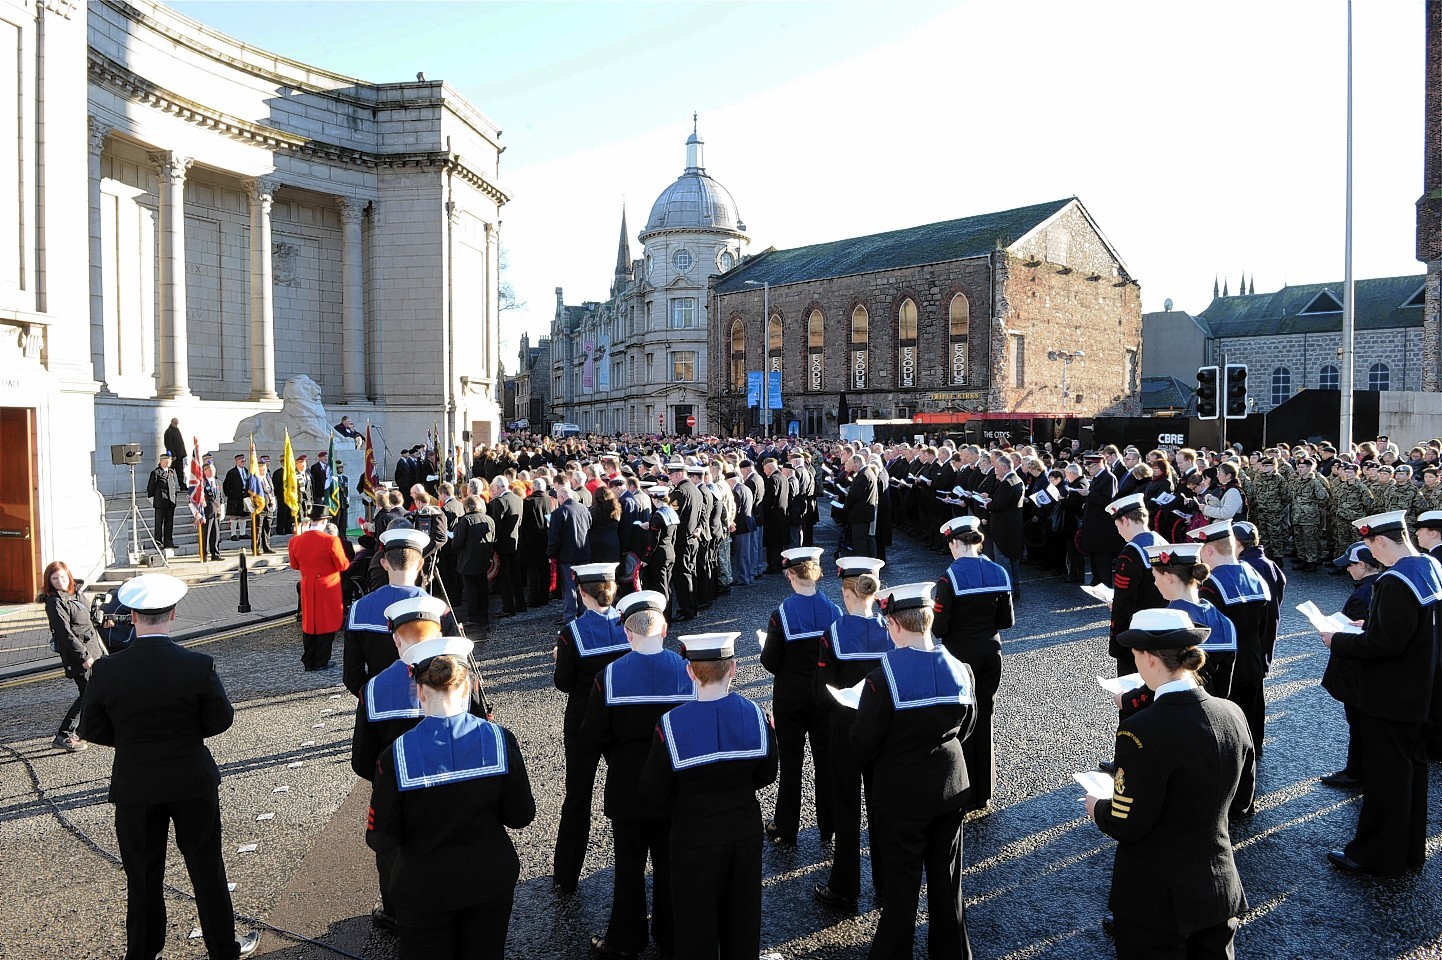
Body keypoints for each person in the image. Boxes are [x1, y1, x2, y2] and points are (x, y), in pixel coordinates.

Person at [79, 573, 260, 960]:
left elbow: (90, 727)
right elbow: (220, 719)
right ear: (173, 613)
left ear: (131, 615)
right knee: (207, 869)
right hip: (190, 779)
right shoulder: (197, 664)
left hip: (136, 784)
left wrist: (131, 741)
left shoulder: (108, 670)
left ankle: (143, 953)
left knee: (143, 876)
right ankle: (222, 949)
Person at [1086, 608, 1255, 960]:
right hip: (1218, 887)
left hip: (1156, 897)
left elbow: (1127, 823)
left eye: (1135, 657)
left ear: (1148, 658)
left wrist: (1098, 807)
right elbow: (1242, 799)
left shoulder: (1142, 729)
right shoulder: (1233, 713)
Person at [366, 649, 535, 960]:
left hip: (423, 887)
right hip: (489, 878)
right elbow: (521, 815)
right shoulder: (500, 739)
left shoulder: (394, 755)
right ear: (468, 688)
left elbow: (381, 838)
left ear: (419, 692)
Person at [851, 581, 976, 960]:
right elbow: (967, 728)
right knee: (947, 879)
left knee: (902, 884)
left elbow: (863, 745)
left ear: (894, 625)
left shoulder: (880, 678)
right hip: (951, 786)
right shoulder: (962, 669)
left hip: (901, 792)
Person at [638, 632, 778, 960]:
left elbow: (653, 789)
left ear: (690, 672)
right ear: (733, 669)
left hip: (692, 836)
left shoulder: (670, 724)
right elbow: (767, 773)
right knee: (743, 926)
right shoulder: (757, 715)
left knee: (694, 930)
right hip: (743, 833)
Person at [353, 598, 490, 931]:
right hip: (459, 785)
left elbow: (361, 761)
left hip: (400, 791)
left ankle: (395, 911)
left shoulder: (372, 690)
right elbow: (481, 728)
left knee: (394, 853)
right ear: (438, 631)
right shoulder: (462, 678)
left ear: (397, 639)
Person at [1320, 509, 1441, 876]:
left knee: (1386, 779)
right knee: (1411, 774)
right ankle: (1408, 852)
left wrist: (1337, 639)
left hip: (1390, 694)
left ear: (1381, 541)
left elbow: (1385, 644)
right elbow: (1408, 628)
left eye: (1371, 546)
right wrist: (1368, 622)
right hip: (1422, 690)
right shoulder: (1429, 567)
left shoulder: (1393, 580)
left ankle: (1375, 856)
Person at [581, 589, 696, 959]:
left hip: (627, 782)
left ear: (627, 633)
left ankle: (625, 938)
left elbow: (592, 735)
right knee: (670, 862)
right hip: (673, 783)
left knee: (629, 866)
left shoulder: (609, 675)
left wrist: (615, 755)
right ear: (664, 630)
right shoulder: (686, 670)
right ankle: (672, 933)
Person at [814, 556, 891, 912]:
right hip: (883, 732)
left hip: (844, 727)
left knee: (846, 809)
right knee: (882, 809)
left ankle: (845, 886)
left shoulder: (833, 632)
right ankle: (885, 882)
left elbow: (820, 687)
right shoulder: (891, 628)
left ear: (847, 592)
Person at [551, 563, 629, 894]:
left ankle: (566, 876)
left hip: (583, 721)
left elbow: (564, 683)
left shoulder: (572, 633)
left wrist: (559, 658)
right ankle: (630, 864)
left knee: (578, 796)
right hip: (622, 721)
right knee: (628, 792)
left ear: (581, 592)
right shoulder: (630, 625)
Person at [760, 545, 843, 846]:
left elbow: (770, 662)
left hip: (790, 697)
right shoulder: (834, 611)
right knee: (826, 761)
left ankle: (786, 825)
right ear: (818, 574)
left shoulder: (780, 614)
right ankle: (828, 824)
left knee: (792, 762)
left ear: (790, 574)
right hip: (824, 696)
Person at [931, 516, 1014, 813]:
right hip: (992, 653)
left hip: (959, 656)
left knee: (962, 721)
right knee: (986, 717)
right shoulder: (999, 571)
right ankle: (984, 792)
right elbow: (1007, 621)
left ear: (955, 543)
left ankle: (963, 792)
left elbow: (939, 628)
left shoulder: (949, 578)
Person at [1190, 520, 1273, 757]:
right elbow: (1264, 625)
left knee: (1228, 730)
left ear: (1208, 550)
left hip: (1226, 668)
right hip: (1254, 660)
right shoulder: (1255, 574)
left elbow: (1207, 632)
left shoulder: (1210, 584)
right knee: (1253, 719)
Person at [344, 528, 455, 696]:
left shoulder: (358, 609)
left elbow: (352, 675)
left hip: (379, 700)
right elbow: (453, 664)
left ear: (384, 563)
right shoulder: (437, 609)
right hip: (427, 700)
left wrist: (370, 696)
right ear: (420, 564)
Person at [1318, 541, 1384, 792]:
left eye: (1351, 565)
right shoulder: (1374, 586)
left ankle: (1356, 771)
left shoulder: (1364, 594)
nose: (1347, 570)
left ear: (1364, 565)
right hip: (1367, 672)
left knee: (1358, 723)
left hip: (1357, 672)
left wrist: (1337, 635)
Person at [1146, 542, 1238, 700]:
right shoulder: (1225, 622)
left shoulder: (1164, 621)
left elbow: (1155, 682)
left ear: (1168, 577)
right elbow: (1224, 687)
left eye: (1155, 577)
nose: (1155, 583)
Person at [42, 561, 107, 753]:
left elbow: (89, 618)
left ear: (68, 576)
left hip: (94, 650)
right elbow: (65, 633)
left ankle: (85, 729)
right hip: (78, 656)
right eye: (55, 578)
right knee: (88, 694)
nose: (60, 581)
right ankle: (65, 734)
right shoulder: (55, 603)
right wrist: (84, 657)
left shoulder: (76, 593)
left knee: (97, 691)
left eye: (62, 577)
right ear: (49, 581)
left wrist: (103, 618)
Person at [1106, 494, 1166, 679]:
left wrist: (1117, 644)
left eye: (1117, 527)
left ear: (1125, 521)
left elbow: (1125, 602)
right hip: (1163, 628)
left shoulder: (1131, 553)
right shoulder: (1162, 543)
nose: (1118, 532)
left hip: (1138, 632)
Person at [288, 506, 350, 671]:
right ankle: (321, 660)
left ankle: (309, 659)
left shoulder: (295, 540)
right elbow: (343, 565)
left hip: (307, 585)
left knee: (309, 623)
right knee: (327, 623)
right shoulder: (331, 540)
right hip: (328, 587)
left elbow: (294, 565)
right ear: (323, 521)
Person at [548, 482, 592, 625]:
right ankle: (584, 613)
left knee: (569, 588)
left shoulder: (558, 513)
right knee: (582, 586)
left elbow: (554, 538)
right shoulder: (584, 509)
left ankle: (570, 617)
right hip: (584, 553)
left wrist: (551, 555)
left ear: (561, 497)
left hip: (567, 556)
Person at [452, 494, 496, 632]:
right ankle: (484, 615)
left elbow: (457, 543)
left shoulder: (465, 521)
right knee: (483, 588)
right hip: (483, 560)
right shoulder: (489, 519)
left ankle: (473, 617)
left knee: (471, 591)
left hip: (467, 561)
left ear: (467, 508)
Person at [488, 477, 527, 616]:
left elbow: (496, 525)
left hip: (502, 545)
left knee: (504, 577)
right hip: (515, 541)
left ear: (498, 488)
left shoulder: (500, 501)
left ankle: (508, 607)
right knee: (516, 575)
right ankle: (521, 604)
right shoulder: (518, 499)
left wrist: (492, 543)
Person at [146, 453, 182, 550]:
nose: (169, 462)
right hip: (160, 502)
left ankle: (168, 541)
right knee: (159, 523)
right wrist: (153, 500)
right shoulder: (156, 473)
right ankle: (158, 542)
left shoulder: (171, 472)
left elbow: (173, 486)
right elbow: (151, 488)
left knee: (169, 523)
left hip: (170, 501)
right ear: (162, 461)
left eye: (169, 460)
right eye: (167, 460)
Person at [222, 454, 251, 542]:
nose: (243, 463)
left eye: (244, 461)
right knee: (234, 516)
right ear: (236, 461)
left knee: (243, 515)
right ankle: (233, 534)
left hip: (244, 497)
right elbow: (226, 486)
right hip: (234, 497)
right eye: (241, 461)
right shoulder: (232, 472)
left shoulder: (246, 471)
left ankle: (242, 533)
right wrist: (231, 495)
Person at [200, 462, 223, 560]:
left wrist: (221, 509)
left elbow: (220, 497)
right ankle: (204, 554)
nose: (212, 471)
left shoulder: (218, 482)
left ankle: (215, 553)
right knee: (206, 534)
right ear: (204, 471)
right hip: (206, 512)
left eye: (213, 469)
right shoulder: (202, 483)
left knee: (216, 534)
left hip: (216, 512)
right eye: (209, 470)